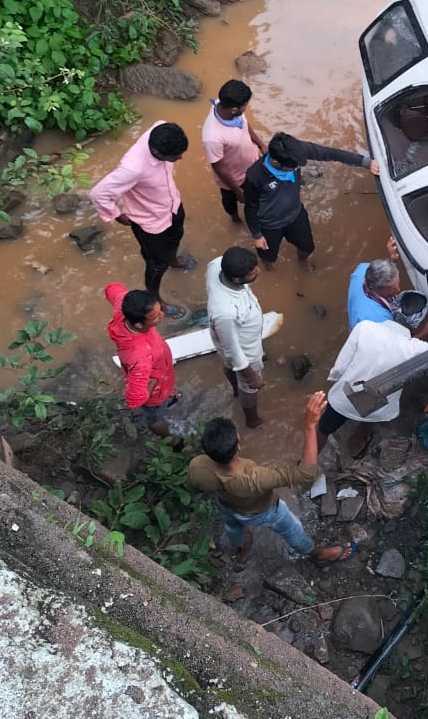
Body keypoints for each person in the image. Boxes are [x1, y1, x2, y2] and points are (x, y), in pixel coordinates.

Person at [188, 392, 356, 567]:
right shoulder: (254, 477)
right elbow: (305, 473)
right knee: (291, 529)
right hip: (264, 512)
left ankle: (241, 548)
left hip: (228, 506)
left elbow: (194, 487)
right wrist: (310, 425)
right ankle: (316, 554)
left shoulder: (197, 466)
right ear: (238, 445)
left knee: (233, 526)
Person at [319, 282, 428, 458]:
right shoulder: (415, 350)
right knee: (372, 414)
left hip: (345, 398)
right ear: (420, 323)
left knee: (324, 428)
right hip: (379, 406)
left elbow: (340, 367)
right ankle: (361, 435)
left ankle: (306, 463)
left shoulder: (365, 328)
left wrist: (337, 378)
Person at [90, 122, 195, 320]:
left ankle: (173, 259)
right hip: (150, 223)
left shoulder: (160, 128)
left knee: (176, 237)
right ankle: (155, 297)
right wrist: (117, 215)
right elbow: (99, 194)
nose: (180, 158)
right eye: (175, 156)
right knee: (156, 264)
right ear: (156, 151)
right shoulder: (133, 168)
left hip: (172, 205)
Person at [243, 131, 380, 269]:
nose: (296, 168)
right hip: (269, 225)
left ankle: (302, 263)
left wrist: (365, 162)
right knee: (268, 257)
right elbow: (250, 207)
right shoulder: (254, 176)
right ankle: (269, 269)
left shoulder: (296, 150)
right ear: (275, 161)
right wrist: (257, 235)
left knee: (307, 247)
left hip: (296, 214)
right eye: (293, 167)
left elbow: (330, 153)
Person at [104, 283, 180, 437]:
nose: (162, 316)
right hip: (155, 391)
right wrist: (154, 380)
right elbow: (134, 400)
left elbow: (112, 288)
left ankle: (167, 394)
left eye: (160, 311)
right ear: (139, 324)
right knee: (155, 419)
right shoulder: (140, 357)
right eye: (156, 316)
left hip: (162, 376)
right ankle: (171, 441)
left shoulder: (124, 308)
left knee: (164, 392)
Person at [206, 246, 267, 428]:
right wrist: (251, 376)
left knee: (229, 364)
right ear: (236, 279)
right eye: (252, 272)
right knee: (249, 388)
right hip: (245, 351)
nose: (258, 271)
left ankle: (235, 390)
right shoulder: (226, 312)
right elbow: (234, 351)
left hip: (228, 336)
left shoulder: (217, 265)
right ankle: (252, 420)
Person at [201, 80, 266, 225]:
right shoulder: (212, 137)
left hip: (252, 165)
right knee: (230, 201)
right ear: (234, 109)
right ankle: (235, 218)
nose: (246, 108)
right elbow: (218, 166)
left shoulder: (226, 105)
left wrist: (261, 144)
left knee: (257, 197)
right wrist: (237, 190)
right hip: (234, 178)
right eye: (245, 106)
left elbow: (244, 124)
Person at [347, 237, 405, 329]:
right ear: (378, 289)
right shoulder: (379, 320)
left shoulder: (362, 269)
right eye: (392, 291)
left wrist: (393, 259)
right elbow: (396, 342)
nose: (399, 290)